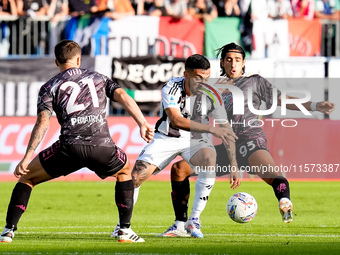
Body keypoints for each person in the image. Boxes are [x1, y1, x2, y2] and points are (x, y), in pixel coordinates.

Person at [161, 42, 336, 237]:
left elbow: (282, 100)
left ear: (244, 62)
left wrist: (313, 105)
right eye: (228, 60)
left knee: (272, 174)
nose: (233, 64)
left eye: (237, 60)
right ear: (222, 63)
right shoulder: (211, 87)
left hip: (251, 141)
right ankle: (180, 224)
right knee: (179, 169)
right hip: (227, 147)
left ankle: (284, 201)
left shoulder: (254, 82)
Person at [0, 40, 154, 243]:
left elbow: (42, 123)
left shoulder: (49, 86)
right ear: (79, 59)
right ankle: (125, 230)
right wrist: (142, 122)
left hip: (68, 149)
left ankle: (8, 231)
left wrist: (27, 157)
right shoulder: (98, 78)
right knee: (125, 172)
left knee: (27, 178)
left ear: (56, 61)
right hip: (102, 147)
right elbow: (123, 95)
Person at [113, 54, 240, 239]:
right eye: (198, 78)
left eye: (206, 77)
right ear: (186, 75)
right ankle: (121, 226)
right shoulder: (171, 87)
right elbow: (176, 120)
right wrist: (212, 129)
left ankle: (192, 221)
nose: (203, 82)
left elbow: (226, 129)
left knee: (209, 159)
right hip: (167, 137)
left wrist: (234, 163)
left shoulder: (213, 94)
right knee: (135, 177)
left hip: (197, 139)